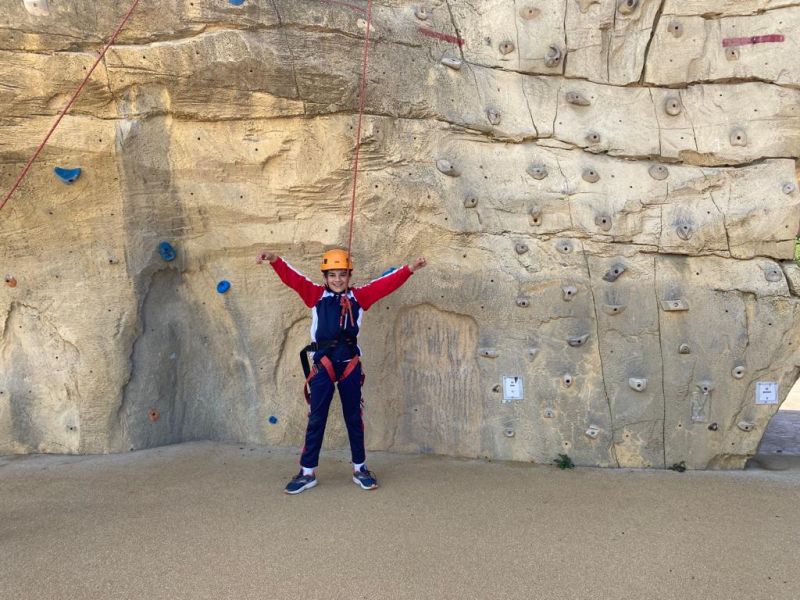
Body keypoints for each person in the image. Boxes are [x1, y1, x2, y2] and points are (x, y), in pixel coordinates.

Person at [257, 248, 427, 494]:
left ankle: (360, 468)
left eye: (342, 274)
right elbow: (294, 279)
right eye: (332, 275)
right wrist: (274, 260)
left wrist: (409, 269)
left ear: (349, 276)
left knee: (353, 418)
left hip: (349, 365)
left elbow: (385, 285)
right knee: (316, 418)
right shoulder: (316, 295)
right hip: (323, 366)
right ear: (325, 277)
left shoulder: (359, 297)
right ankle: (307, 472)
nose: (337, 279)